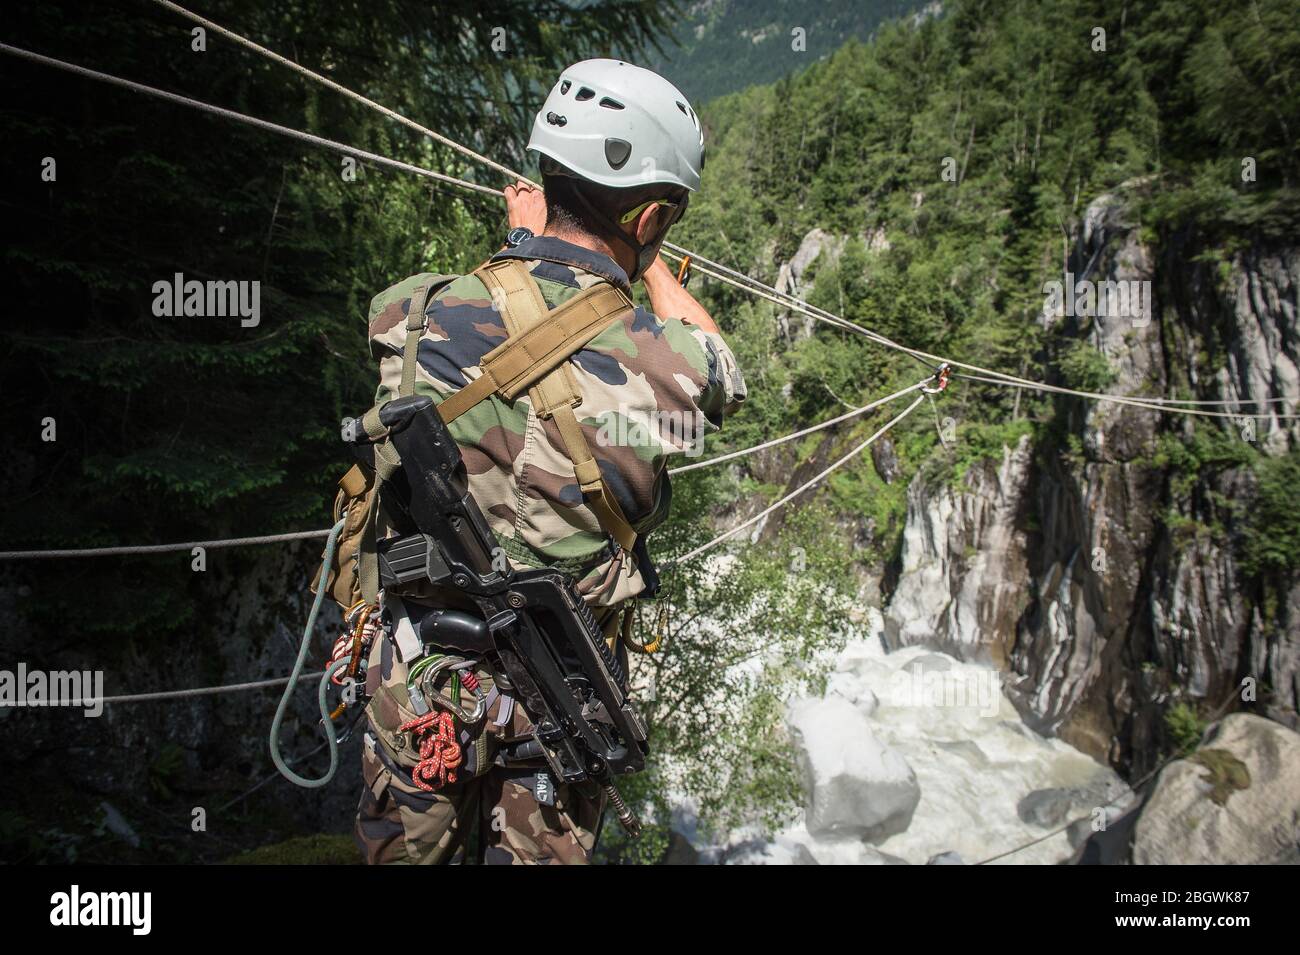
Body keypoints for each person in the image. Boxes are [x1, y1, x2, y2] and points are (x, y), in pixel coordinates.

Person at [353, 59, 745, 864]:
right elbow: (723, 370)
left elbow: (497, 316)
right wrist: (648, 261)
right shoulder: (662, 364)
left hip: (418, 677)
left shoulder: (412, 310)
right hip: (561, 699)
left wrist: (526, 245)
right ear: (649, 219)